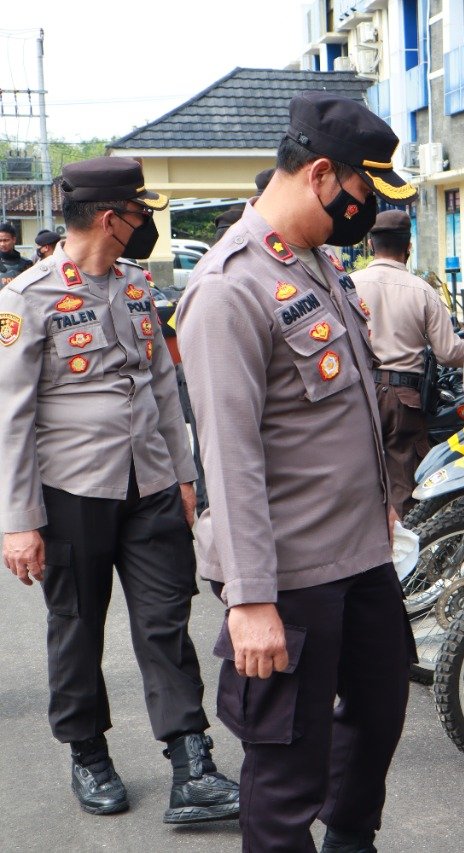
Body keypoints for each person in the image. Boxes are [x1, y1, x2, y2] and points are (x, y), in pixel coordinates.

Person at [177, 90, 416, 853]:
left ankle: (351, 840)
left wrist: (383, 508)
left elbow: (343, 407)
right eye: (363, 191)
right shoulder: (228, 286)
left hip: (359, 554)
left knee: (378, 709)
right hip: (286, 572)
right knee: (287, 766)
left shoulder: (316, 264)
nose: (368, 209)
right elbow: (230, 455)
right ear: (320, 175)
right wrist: (249, 600)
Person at [0, 157, 239, 822]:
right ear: (112, 217)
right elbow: (11, 416)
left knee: (167, 622)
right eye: (139, 210)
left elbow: (165, 386)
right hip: (71, 491)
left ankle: (191, 764)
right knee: (76, 626)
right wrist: (18, 519)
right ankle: (87, 751)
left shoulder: (136, 287)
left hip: (152, 483)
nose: (146, 222)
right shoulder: (27, 296)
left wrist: (185, 476)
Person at [352, 209, 464, 514]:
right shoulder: (422, 291)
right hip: (406, 400)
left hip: (358, 394)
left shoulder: (347, 285)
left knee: (358, 478)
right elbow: (449, 353)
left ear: (371, 245)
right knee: (403, 482)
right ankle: (400, 555)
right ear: (408, 247)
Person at [0, 220, 33, 285]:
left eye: (6, 240)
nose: (2, 244)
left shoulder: (27, 264)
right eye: (0, 241)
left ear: (14, 240)